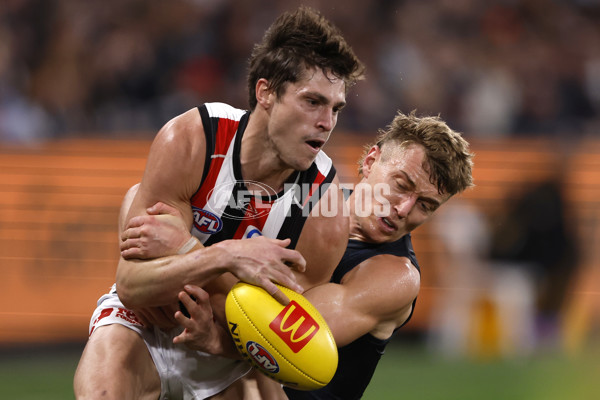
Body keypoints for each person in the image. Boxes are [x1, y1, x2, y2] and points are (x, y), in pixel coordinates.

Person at [73, 7, 364, 400]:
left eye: (335, 109)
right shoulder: (192, 140)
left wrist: (187, 264)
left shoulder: (325, 211)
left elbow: (290, 347)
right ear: (266, 93)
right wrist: (224, 256)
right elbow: (131, 286)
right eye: (312, 101)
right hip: (143, 327)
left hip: (231, 356)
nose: (327, 122)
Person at [129, 110, 474, 399]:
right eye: (401, 185)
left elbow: (276, 334)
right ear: (371, 161)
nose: (403, 209)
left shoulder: (394, 277)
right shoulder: (308, 198)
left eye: (425, 206)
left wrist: (187, 250)